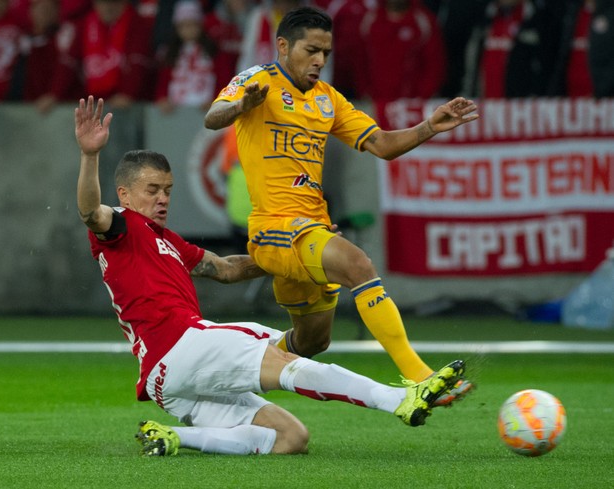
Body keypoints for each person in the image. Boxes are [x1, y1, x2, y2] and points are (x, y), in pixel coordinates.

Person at [74, 95, 466, 456]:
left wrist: (290, 250)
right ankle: (399, 400)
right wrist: (90, 156)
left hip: (167, 382)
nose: (162, 199)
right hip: (179, 343)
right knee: (285, 357)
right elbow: (92, 214)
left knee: (290, 439)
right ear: (124, 194)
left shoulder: (169, 241)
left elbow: (227, 269)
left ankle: (173, 436)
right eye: (152, 190)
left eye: (168, 190)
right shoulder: (120, 226)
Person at [204, 6, 478, 404]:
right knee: (358, 265)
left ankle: (224, 372)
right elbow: (213, 117)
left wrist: (428, 127)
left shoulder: (328, 99)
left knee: (313, 341)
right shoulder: (256, 81)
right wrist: (241, 106)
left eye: (326, 53)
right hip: (273, 227)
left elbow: (381, 145)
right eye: (311, 50)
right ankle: (420, 377)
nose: (319, 60)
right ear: (283, 45)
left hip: (312, 227)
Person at [35, 0, 154, 113]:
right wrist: (54, 94)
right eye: (102, 3)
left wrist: (127, 93)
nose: (108, 8)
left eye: (113, 3)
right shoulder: (86, 24)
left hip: (130, 107)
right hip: (94, 102)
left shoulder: (137, 24)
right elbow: (69, 62)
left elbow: (138, 62)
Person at [358, 0, 448, 128]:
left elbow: (435, 65)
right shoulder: (369, 20)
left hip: (413, 109)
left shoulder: (423, 21)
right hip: (375, 106)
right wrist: (365, 92)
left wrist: (421, 99)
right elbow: (360, 61)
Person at [461, 0, 561, 98]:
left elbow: (546, 65)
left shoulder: (540, 20)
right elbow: (470, 64)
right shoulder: (482, 18)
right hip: (484, 103)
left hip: (521, 105)